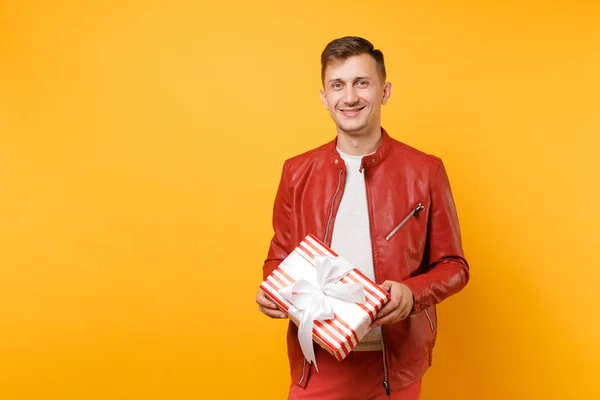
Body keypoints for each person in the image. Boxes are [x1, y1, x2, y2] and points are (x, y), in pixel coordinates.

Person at [256, 36, 470, 400]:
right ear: (325, 97)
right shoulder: (296, 172)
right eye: (337, 85)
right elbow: (279, 258)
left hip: (395, 365)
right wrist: (273, 292)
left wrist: (412, 292)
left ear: (384, 91)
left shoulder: (426, 171)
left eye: (362, 83)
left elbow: (454, 265)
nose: (350, 96)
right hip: (319, 360)